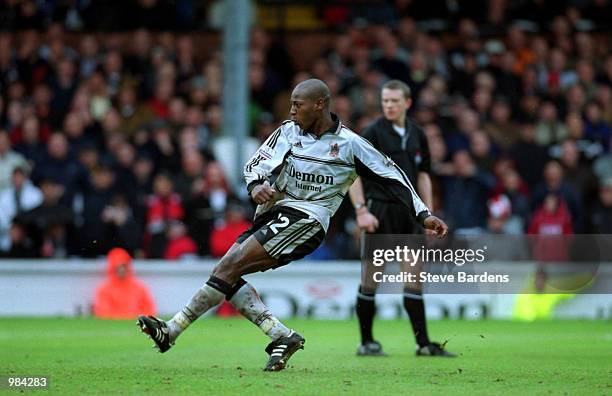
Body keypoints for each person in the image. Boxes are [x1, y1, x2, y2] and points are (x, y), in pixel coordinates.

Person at [136, 79, 448, 372]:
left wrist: (423, 215)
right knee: (225, 272)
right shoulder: (288, 131)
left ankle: (172, 330)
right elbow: (257, 163)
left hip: (309, 219)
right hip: (275, 213)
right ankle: (280, 336)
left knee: (229, 266)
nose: (292, 110)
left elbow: (394, 177)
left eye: (298, 104)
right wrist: (256, 185)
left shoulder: (351, 144)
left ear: (320, 105)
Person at [348, 80, 455, 357]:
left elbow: (422, 175)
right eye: (385, 101)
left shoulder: (417, 133)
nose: (389, 105)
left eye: (394, 101)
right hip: (380, 212)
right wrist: (361, 210)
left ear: (407, 103)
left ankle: (423, 345)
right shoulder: (372, 133)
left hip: (409, 215)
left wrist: (428, 214)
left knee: (414, 279)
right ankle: (366, 342)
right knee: (371, 280)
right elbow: (352, 175)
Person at [93, 248, 156, 319]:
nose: (121, 270)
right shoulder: (104, 289)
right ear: (112, 267)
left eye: (124, 266)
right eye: (118, 267)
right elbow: (103, 312)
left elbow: (149, 310)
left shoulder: (139, 288)